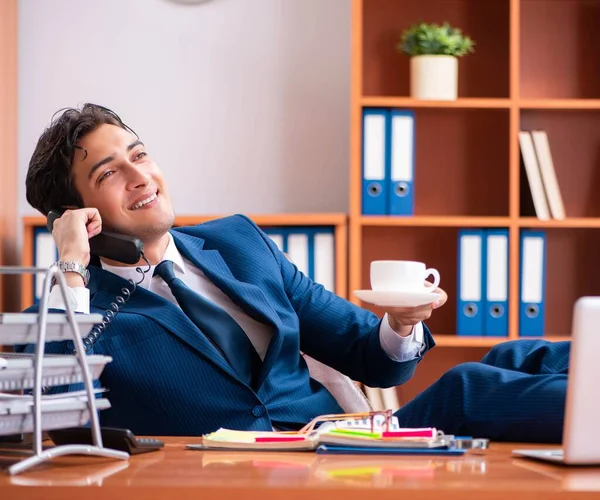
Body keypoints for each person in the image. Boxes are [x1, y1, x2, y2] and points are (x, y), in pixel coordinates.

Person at [23, 104, 568, 443]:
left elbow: (371, 357)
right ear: (75, 214)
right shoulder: (69, 313)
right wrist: (71, 268)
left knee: (513, 356)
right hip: (245, 471)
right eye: (109, 173)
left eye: (139, 155)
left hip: (339, 446)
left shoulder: (237, 242)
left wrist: (399, 325)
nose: (141, 176)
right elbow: (55, 411)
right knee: (467, 388)